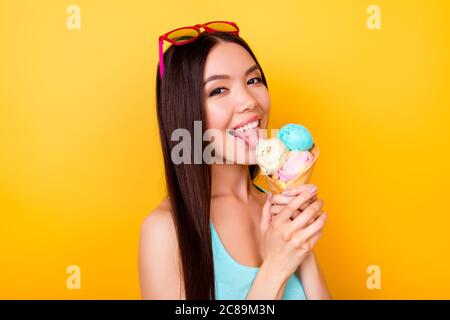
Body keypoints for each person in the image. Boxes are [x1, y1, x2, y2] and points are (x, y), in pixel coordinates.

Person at [139, 21, 331, 300]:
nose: (248, 101)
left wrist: (301, 244)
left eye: (253, 80)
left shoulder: (277, 207)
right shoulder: (164, 231)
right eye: (218, 90)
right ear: (184, 111)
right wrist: (276, 267)